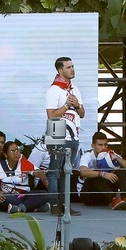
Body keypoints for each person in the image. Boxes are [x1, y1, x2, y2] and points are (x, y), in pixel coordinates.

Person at [45, 56, 85, 216]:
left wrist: (76, 105)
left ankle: (66, 205)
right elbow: (51, 116)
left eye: (73, 66)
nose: (72, 69)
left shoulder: (75, 89)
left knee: (66, 171)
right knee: (55, 171)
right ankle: (55, 204)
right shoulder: (54, 90)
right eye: (68, 67)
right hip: (57, 130)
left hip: (73, 133)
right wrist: (67, 105)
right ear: (60, 70)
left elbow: (82, 113)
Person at [78, 132, 126, 210]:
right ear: (93, 146)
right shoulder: (87, 156)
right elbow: (83, 172)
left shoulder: (109, 154)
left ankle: (125, 198)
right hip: (88, 196)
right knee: (95, 174)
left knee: (120, 170)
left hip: (105, 197)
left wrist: (117, 158)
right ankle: (113, 199)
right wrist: (103, 174)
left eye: (105, 145)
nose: (103, 147)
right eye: (100, 145)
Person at [0, 141, 49, 213]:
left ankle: (19, 208)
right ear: (5, 155)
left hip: (25, 195)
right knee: (3, 199)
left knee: (44, 194)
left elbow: (38, 172)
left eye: (17, 150)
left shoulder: (22, 160)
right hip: (9, 196)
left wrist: (45, 180)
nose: (16, 153)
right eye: (12, 151)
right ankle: (31, 207)